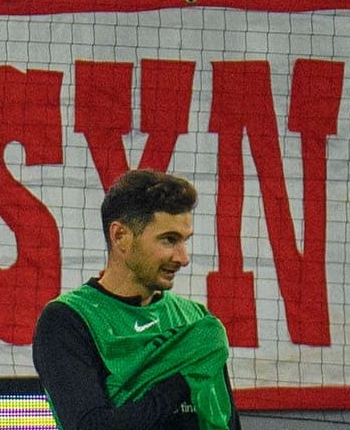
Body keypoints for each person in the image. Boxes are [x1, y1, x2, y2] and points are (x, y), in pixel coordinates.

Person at [33, 170, 239, 429]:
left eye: (185, 241)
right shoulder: (67, 320)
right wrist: (185, 375)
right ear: (121, 236)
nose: (183, 257)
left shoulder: (198, 322)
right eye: (169, 240)